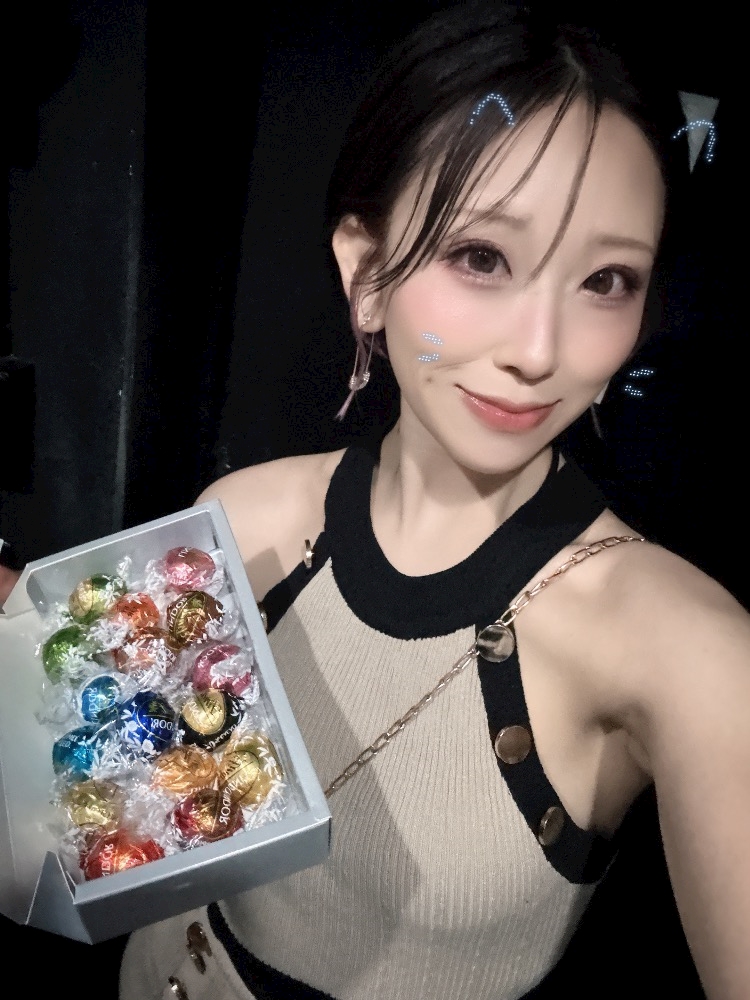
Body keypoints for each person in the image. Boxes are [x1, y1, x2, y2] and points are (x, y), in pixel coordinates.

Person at [118, 4, 750, 998]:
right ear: (366, 272)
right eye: (482, 258)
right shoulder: (241, 518)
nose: (539, 351)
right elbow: (113, 805)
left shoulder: (685, 647)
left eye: (606, 280)